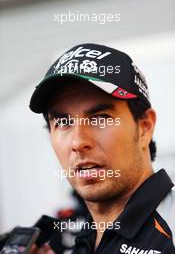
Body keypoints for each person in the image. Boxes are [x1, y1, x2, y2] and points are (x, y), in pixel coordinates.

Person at [29, 43, 175, 253]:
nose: (78, 142)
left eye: (100, 119)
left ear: (144, 127)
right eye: (62, 122)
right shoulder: (79, 241)